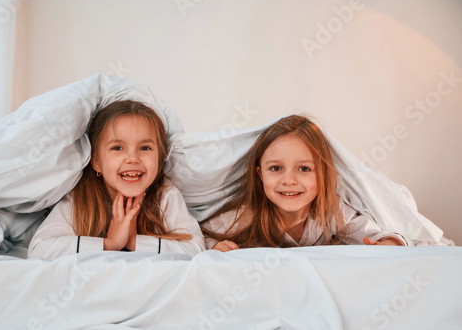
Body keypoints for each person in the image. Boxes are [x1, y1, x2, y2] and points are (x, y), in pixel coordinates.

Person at [200, 115, 411, 251]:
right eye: (276, 168)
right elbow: (200, 237)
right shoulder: (248, 213)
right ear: (260, 174)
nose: (289, 181)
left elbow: (374, 234)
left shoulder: (330, 211)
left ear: (322, 174)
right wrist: (216, 246)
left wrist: (389, 243)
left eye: (304, 169)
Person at [28, 100, 205, 259]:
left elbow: (196, 249)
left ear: (159, 159)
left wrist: (134, 242)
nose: (132, 158)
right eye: (117, 147)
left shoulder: (165, 195)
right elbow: (38, 250)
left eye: (144, 148)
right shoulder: (81, 197)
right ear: (96, 162)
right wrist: (110, 243)